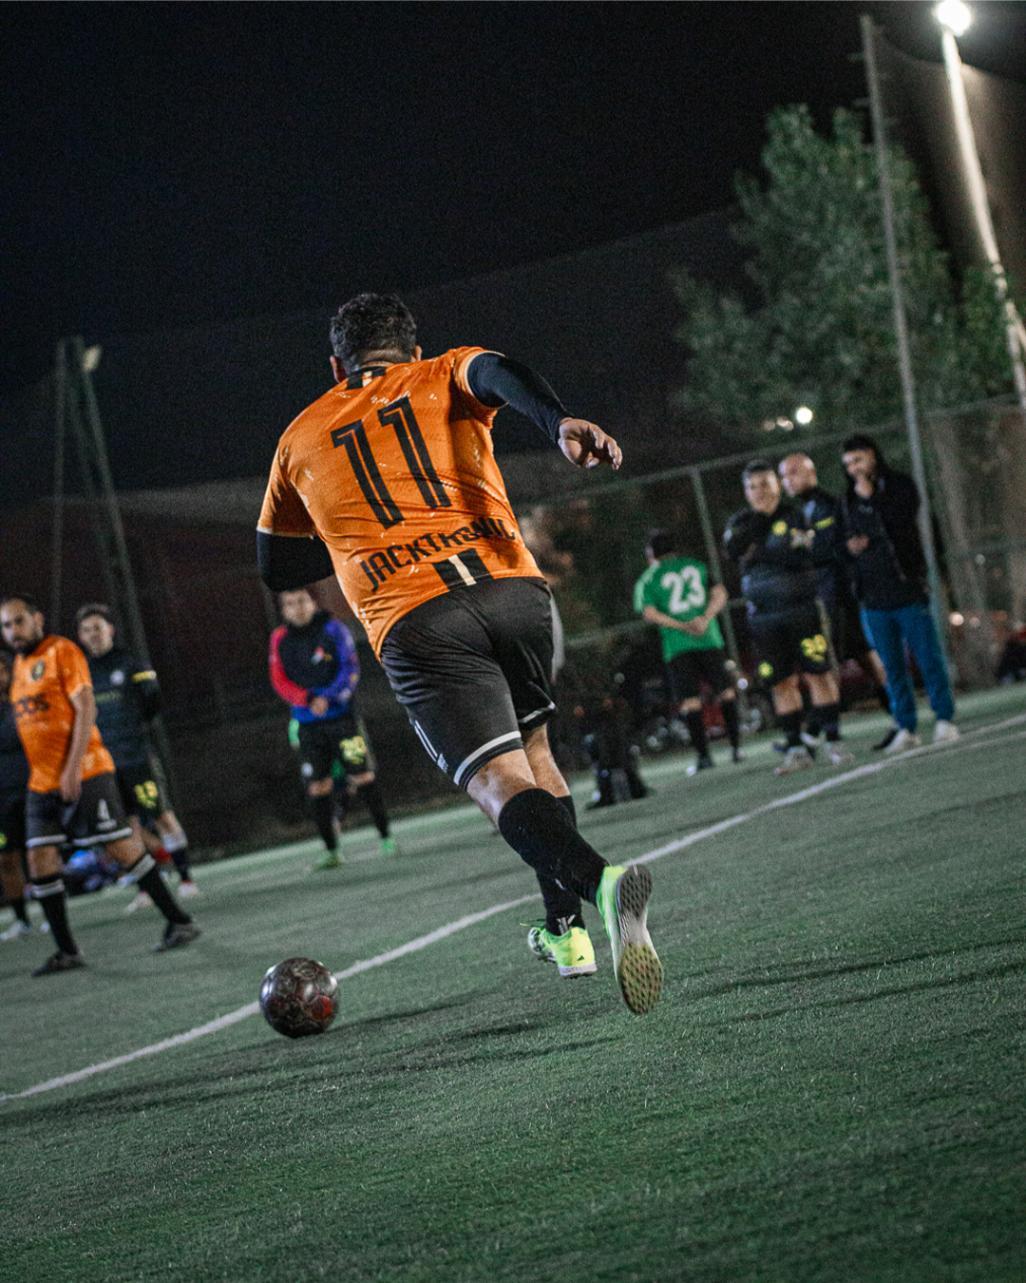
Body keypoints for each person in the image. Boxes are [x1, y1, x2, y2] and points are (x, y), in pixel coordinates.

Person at [257, 292, 661, 1013]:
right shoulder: (443, 370)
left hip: (416, 617)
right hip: (513, 589)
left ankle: (600, 884)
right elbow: (502, 372)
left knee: (497, 783)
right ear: (411, 350)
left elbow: (277, 567)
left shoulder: (298, 438)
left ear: (335, 366)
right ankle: (567, 934)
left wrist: (345, 532)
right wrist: (558, 422)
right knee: (535, 753)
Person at [0, 594, 199, 975]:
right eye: (6, 626)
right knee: (39, 859)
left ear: (37, 619)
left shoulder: (62, 651)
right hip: (41, 782)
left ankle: (179, 920)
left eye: (18, 621)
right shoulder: (21, 667)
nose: (13, 631)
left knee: (121, 847)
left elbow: (86, 706)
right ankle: (67, 950)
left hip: (86, 772)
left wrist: (72, 766)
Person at [723, 461, 854, 775]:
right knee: (780, 682)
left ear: (777, 486)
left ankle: (833, 741)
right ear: (746, 492)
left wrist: (758, 552)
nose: (759, 492)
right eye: (752, 487)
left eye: (765, 485)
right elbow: (733, 550)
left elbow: (798, 554)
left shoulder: (795, 515)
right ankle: (796, 748)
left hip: (802, 610)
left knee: (818, 674)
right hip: (764, 618)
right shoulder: (740, 521)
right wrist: (759, 541)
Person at [839, 435, 958, 753]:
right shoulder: (847, 500)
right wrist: (851, 547)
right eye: (848, 464)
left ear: (872, 456)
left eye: (858, 460)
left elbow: (903, 520)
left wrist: (872, 497)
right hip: (873, 599)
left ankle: (945, 718)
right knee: (891, 668)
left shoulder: (899, 486)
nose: (854, 469)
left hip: (906, 589)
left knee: (928, 658)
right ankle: (906, 725)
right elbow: (841, 541)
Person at [75, 603, 198, 909]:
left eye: (98, 628)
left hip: (137, 758)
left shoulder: (131, 663)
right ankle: (146, 888)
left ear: (110, 630)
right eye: (87, 630)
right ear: (80, 635)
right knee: (128, 828)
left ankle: (186, 879)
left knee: (162, 816)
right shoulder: (80, 671)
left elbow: (152, 701)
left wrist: (132, 729)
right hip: (105, 765)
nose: (93, 635)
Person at [269, 587, 396, 869]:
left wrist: (328, 697)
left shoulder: (333, 629)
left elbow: (350, 668)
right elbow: (279, 681)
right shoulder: (279, 638)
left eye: (302, 601)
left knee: (362, 775)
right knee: (318, 786)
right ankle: (331, 851)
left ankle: (386, 837)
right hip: (308, 726)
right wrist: (307, 699)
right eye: (290, 603)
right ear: (283, 610)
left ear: (313, 602)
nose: (298, 607)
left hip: (343, 720)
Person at [778, 453, 891, 745]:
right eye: (784, 476)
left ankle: (816, 731)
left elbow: (830, 549)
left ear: (811, 472)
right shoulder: (802, 510)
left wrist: (800, 554)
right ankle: (899, 717)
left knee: (828, 663)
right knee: (864, 657)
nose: (788, 480)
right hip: (827, 593)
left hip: (837, 594)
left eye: (794, 472)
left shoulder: (826, 505)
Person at [633, 529, 742, 775]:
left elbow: (649, 613)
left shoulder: (648, 578)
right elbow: (720, 593)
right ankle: (736, 747)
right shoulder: (695, 566)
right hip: (709, 638)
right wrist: (704, 618)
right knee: (725, 691)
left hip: (678, 646)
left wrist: (682, 625)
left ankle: (704, 757)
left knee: (690, 700)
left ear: (651, 554)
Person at [0, 648, 43, 941]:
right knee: (6, 858)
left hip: (31, 790)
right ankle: (22, 920)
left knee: (40, 853)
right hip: (1, 801)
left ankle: (52, 912)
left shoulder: (24, 700)